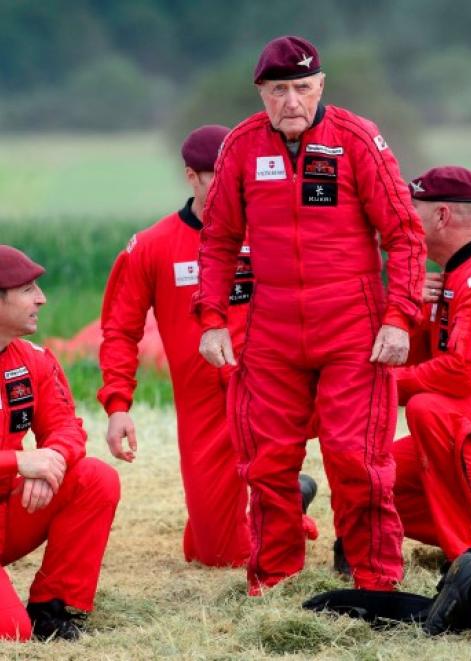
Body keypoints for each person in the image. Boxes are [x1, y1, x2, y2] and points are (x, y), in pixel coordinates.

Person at [193, 35, 426, 595]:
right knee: (266, 462)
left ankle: (375, 584)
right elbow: (219, 239)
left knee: (356, 458)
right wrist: (212, 319)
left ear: (321, 86)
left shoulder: (356, 138)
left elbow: (404, 234)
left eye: (302, 87)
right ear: (261, 94)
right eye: (278, 90)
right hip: (271, 323)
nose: (291, 101)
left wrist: (400, 316)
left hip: (354, 321)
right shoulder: (241, 147)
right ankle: (273, 582)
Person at [98, 125, 318, 569]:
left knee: (257, 543)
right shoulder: (151, 247)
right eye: (219, 176)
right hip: (202, 404)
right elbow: (120, 330)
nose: (234, 186)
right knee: (218, 557)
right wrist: (118, 405)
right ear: (191, 178)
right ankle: (285, 505)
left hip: (274, 391)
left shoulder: (279, 230)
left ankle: (277, 504)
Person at [0, 245, 120, 642]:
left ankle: (51, 608)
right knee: (11, 634)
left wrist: (51, 457)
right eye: (28, 289)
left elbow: (68, 429)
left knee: (94, 477)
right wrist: (19, 462)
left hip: (10, 513)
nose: (42, 298)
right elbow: (20, 461)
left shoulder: (32, 359)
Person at [392, 166, 471, 563]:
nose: (403, 217)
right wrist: (411, 308)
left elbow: (463, 371)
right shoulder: (452, 275)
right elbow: (422, 362)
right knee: (377, 482)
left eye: (411, 208)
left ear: (441, 216)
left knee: (432, 410)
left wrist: (384, 384)